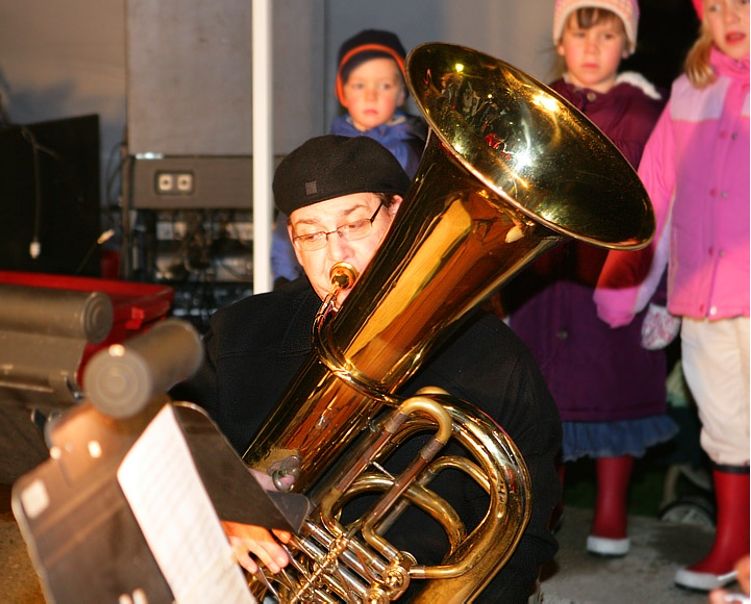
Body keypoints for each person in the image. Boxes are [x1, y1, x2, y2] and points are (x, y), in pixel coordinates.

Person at [173, 134, 562, 602]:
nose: (336, 254)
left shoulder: (492, 357)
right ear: (293, 245)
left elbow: (524, 534)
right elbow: (171, 446)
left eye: (354, 224)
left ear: (398, 218)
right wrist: (223, 499)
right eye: (311, 234)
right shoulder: (241, 333)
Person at [503, 0, 677, 559]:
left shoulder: (649, 115)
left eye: (608, 37)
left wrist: (665, 299)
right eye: (581, 36)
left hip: (611, 283)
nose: (593, 49)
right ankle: (547, 509)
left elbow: (670, 210)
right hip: (541, 283)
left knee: (612, 391)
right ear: (561, 43)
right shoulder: (536, 106)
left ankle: (610, 509)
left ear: (627, 45)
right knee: (539, 399)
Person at [594, 0, 749, 591]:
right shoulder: (688, 92)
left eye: (742, 3)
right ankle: (733, 544)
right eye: (717, 6)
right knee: (723, 423)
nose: (731, 16)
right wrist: (623, 287)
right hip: (700, 296)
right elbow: (654, 194)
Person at [271, 29, 427, 287]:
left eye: (385, 85)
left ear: (402, 93)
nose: (371, 95)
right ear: (342, 93)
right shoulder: (320, 157)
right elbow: (292, 221)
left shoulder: (419, 150)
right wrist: (285, 279)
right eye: (359, 85)